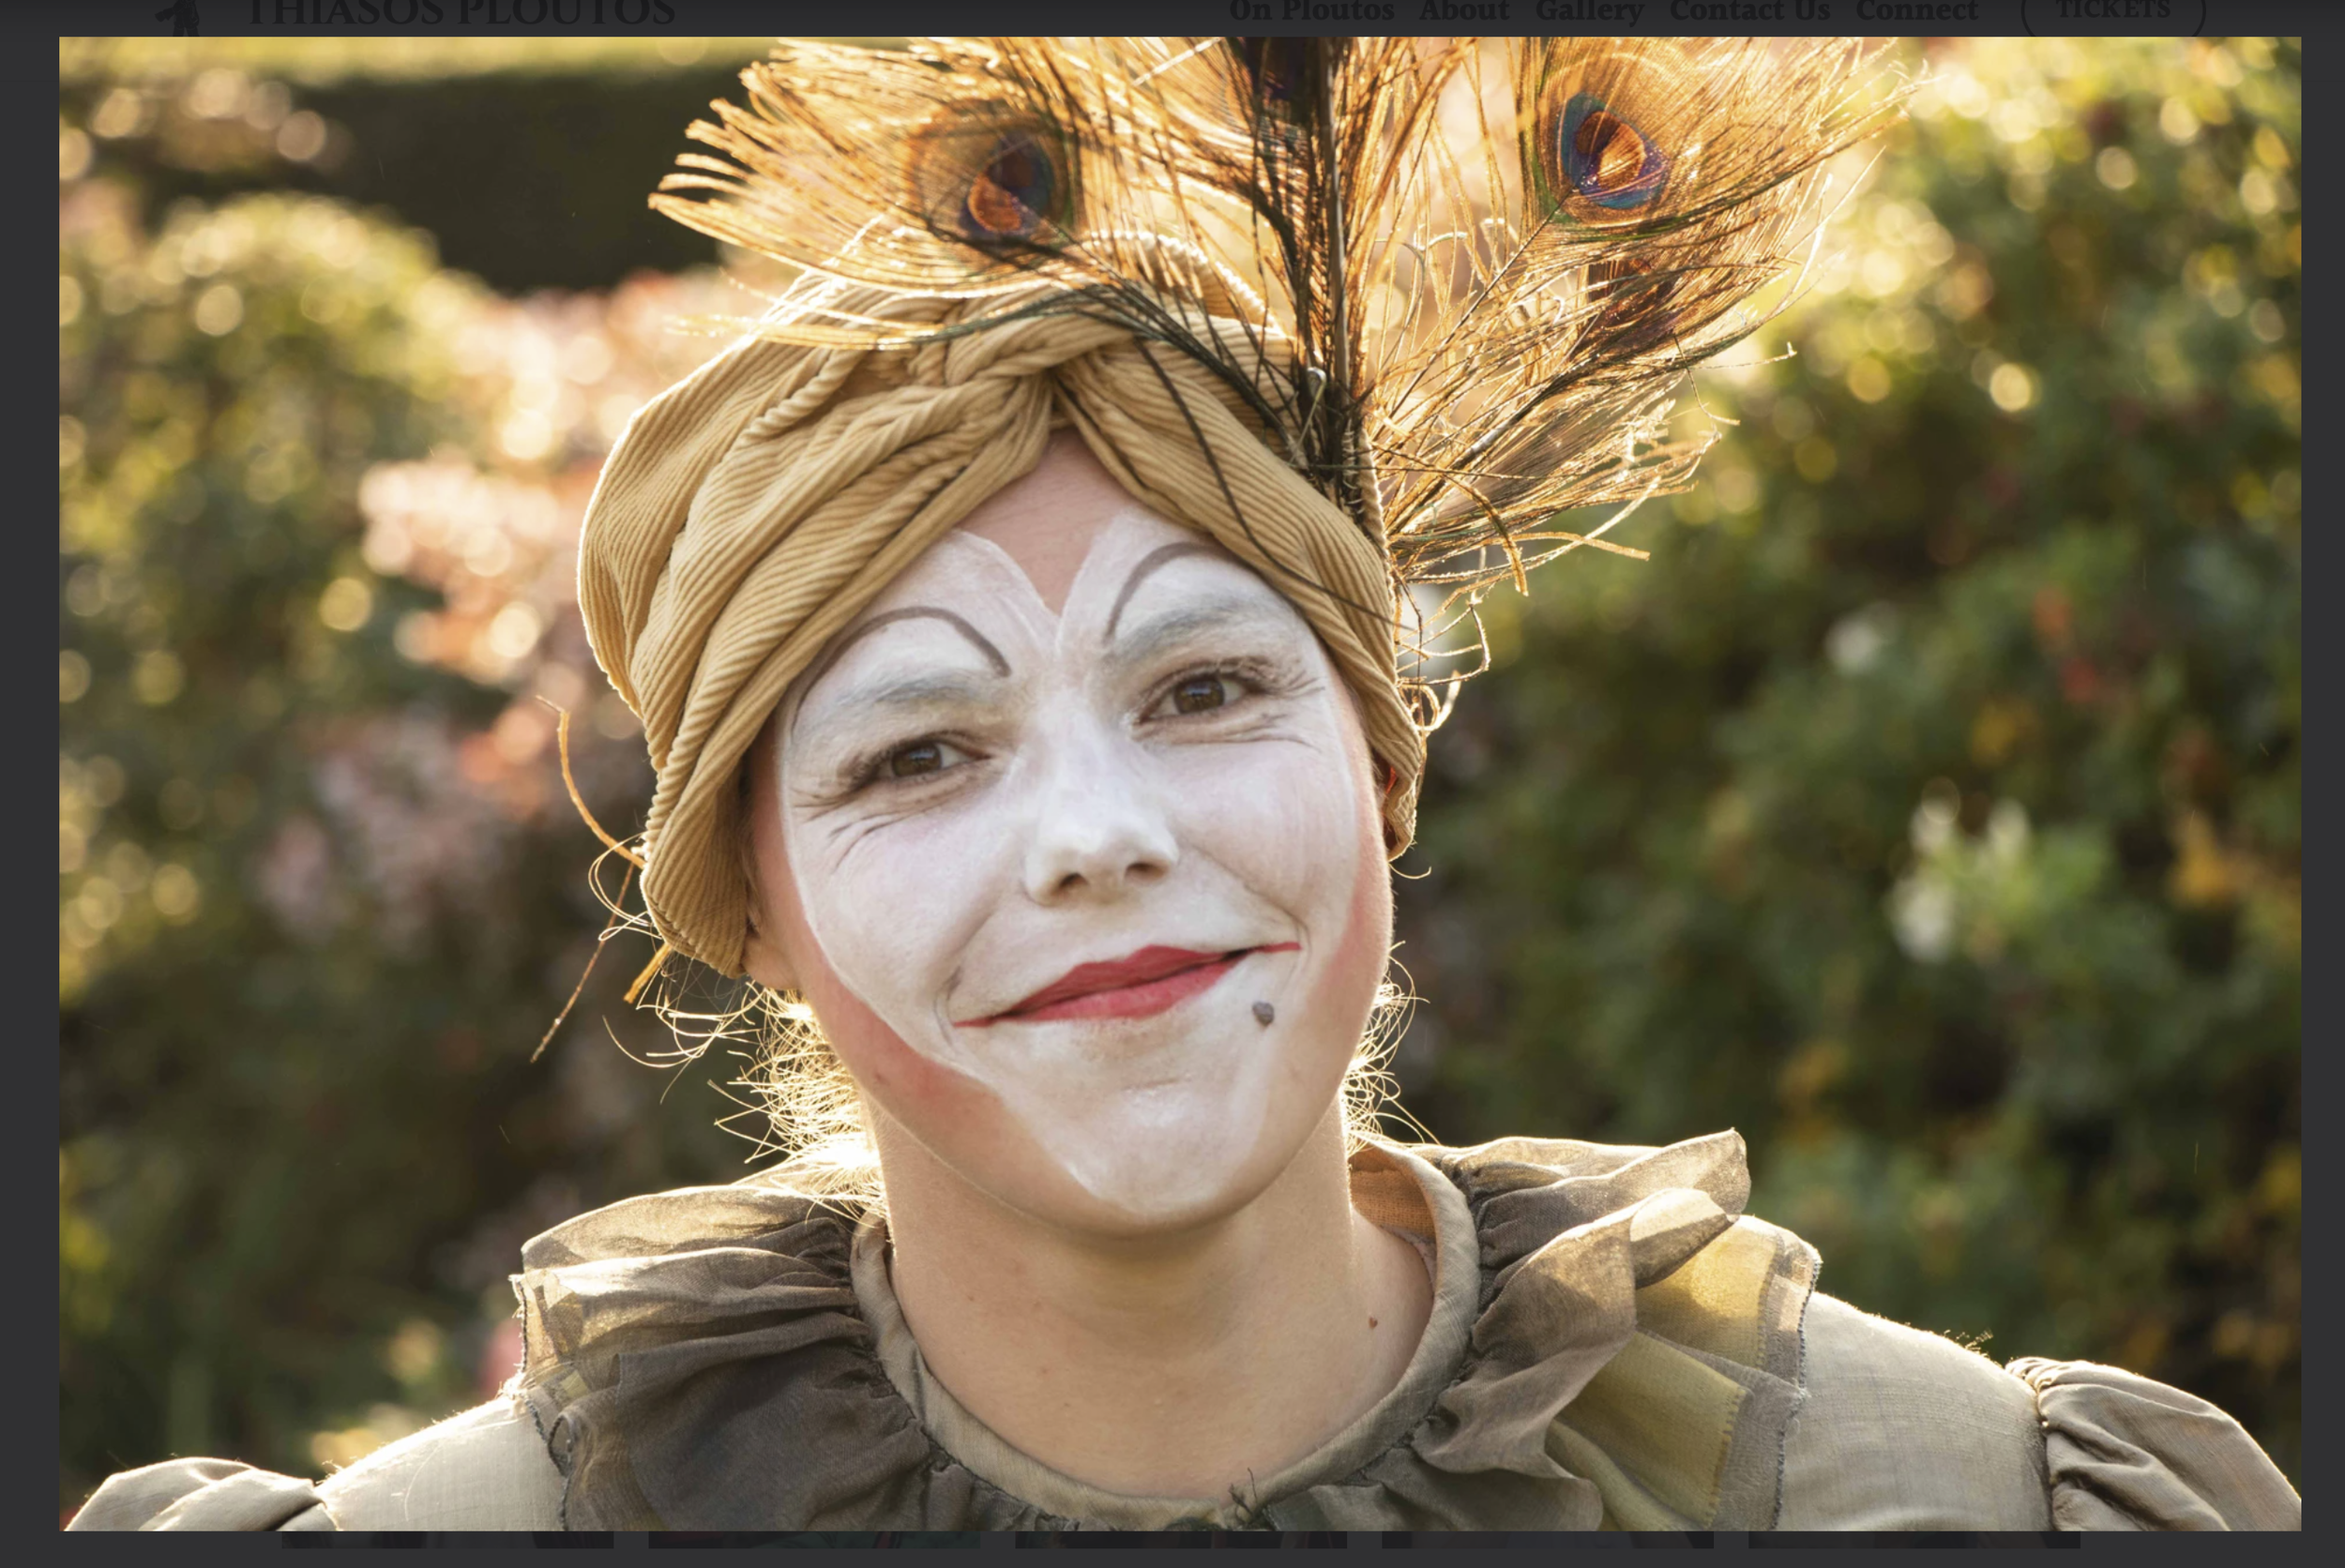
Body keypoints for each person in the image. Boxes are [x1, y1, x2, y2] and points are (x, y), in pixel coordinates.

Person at [72, 38, 2298, 1532]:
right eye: (918, 748)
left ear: (1377, 755)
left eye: (1209, 686)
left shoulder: (1950, 1502)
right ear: (741, 892)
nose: (1092, 829)